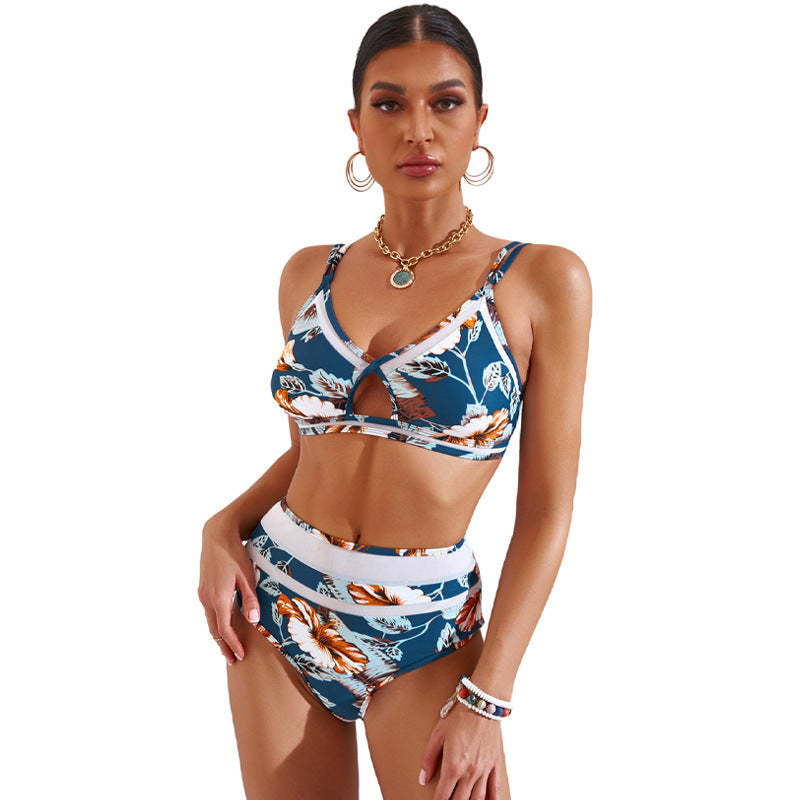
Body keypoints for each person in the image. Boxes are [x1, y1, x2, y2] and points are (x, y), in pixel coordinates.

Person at [197, 4, 591, 798]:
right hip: (275, 606)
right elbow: (313, 453)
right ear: (355, 124)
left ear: (479, 121)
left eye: (445, 102)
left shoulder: (543, 281)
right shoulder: (308, 273)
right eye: (389, 104)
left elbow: (547, 511)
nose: (418, 129)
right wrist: (220, 526)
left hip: (425, 631)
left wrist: (489, 696)